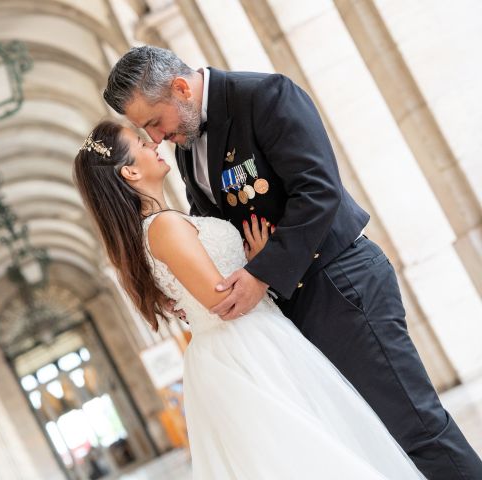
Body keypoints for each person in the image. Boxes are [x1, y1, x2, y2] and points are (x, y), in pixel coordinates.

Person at [101, 46, 482, 479]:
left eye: (154, 122)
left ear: (181, 88)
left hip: (339, 288)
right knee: (362, 441)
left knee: (415, 431)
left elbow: (319, 191)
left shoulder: (265, 96)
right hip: (285, 310)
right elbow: (212, 223)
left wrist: (261, 273)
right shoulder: (186, 142)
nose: (154, 138)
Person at [73, 120, 426, 478]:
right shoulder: (163, 226)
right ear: (130, 170)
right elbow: (221, 301)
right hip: (244, 346)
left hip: (253, 335)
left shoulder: (164, 223)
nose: (152, 143)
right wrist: (260, 262)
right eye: (140, 143)